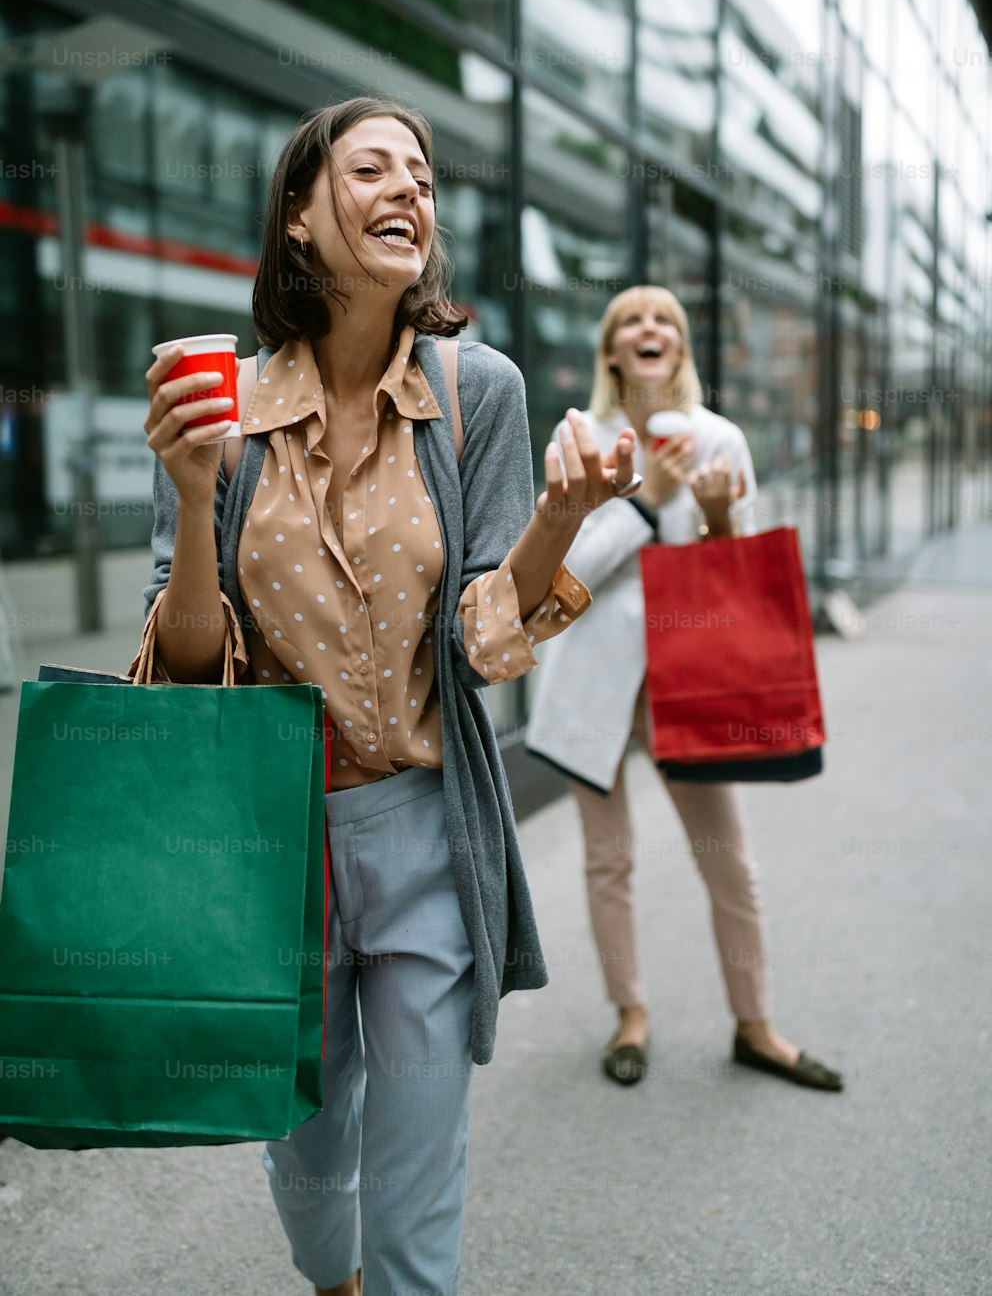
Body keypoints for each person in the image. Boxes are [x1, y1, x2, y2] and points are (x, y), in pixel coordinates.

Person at [134, 97, 641, 1296]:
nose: (408, 188)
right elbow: (191, 667)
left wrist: (560, 516)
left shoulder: (480, 395)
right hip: (271, 844)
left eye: (421, 174)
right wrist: (196, 491)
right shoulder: (228, 412)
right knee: (308, 1162)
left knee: (416, 1191)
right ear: (300, 219)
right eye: (370, 169)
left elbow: (483, 642)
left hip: (423, 831)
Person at [526, 286, 843, 1093]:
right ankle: (630, 1015)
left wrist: (713, 521)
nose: (649, 329)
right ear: (610, 350)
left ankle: (756, 1025)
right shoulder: (581, 438)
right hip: (595, 679)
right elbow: (557, 573)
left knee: (728, 861)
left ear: (681, 347)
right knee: (610, 860)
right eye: (631, 320)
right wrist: (648, 502)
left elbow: (736, 575)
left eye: (664, 319)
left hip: (687, 681)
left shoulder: (721, 439)